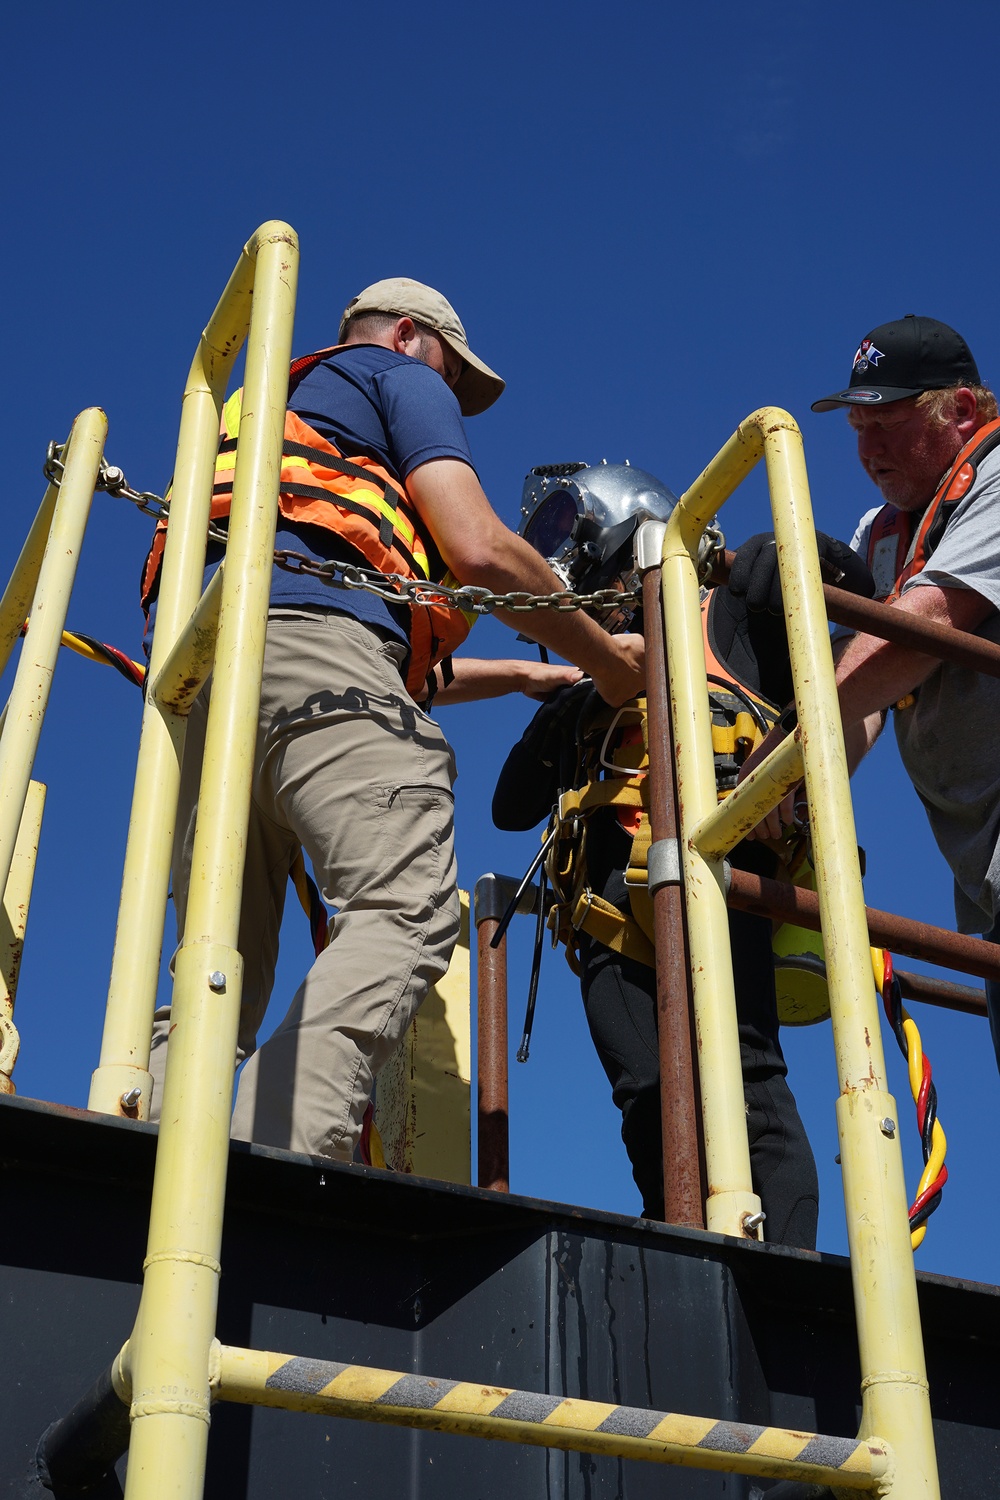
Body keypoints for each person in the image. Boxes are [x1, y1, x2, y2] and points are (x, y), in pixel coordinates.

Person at [144, 278, 645, 1160]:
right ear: (412, 336)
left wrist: (530, 676)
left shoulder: (268, 408)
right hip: (312, 656)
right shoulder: (393, 374)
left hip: (206, 679)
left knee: (222, 965)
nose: (451, 402)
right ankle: (271, 1159)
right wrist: (607, 663)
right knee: (406, 905)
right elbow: (478, 548)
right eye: (453, 379)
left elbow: (375, 654)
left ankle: (147, 1147)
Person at [489, 461, 881, 1247]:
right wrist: (589, 679)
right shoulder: (582, 685)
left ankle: (784, 1283)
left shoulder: (723, 612)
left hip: (715, 882)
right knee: (649, 1100)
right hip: (608, 928)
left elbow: (849, 591)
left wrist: (783, 553)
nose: (559, 555)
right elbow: (510, 805)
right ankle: (681, 1242)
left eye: (567, 533)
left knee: (750, 1088)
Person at [735, 314, 1000, 1074]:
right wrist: (793, 796)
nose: (868, 450)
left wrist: (788, 744)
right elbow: (863, 694)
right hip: (983, 869)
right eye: (858, 428)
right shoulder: (878, 534)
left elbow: (921, 627)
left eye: (889, 424)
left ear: (961, 410)